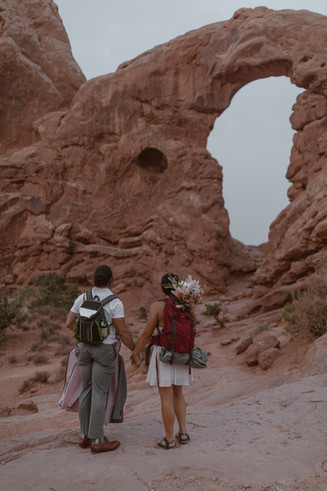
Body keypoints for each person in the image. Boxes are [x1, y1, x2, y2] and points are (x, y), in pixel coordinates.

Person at [65, 264, 139, 453]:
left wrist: (84, 336)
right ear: (110, 280)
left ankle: (84, 436)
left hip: (84, 349)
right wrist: (136, 350)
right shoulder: (115, 302)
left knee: (86, 389)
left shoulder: (83, 297)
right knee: (99, 392)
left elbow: (68, 323)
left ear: (94, 280)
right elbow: (122, 331)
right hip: (104, 350)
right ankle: (97, 439)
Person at [131, 273, 193, 449]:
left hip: (164, 355)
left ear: (162, 288)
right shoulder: (186, 303)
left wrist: (135, 353)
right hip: (182, 353)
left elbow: (146, 334)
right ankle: (183, 433)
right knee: (178, 394)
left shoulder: (158, 306)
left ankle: (169, 439)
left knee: (166, 398)